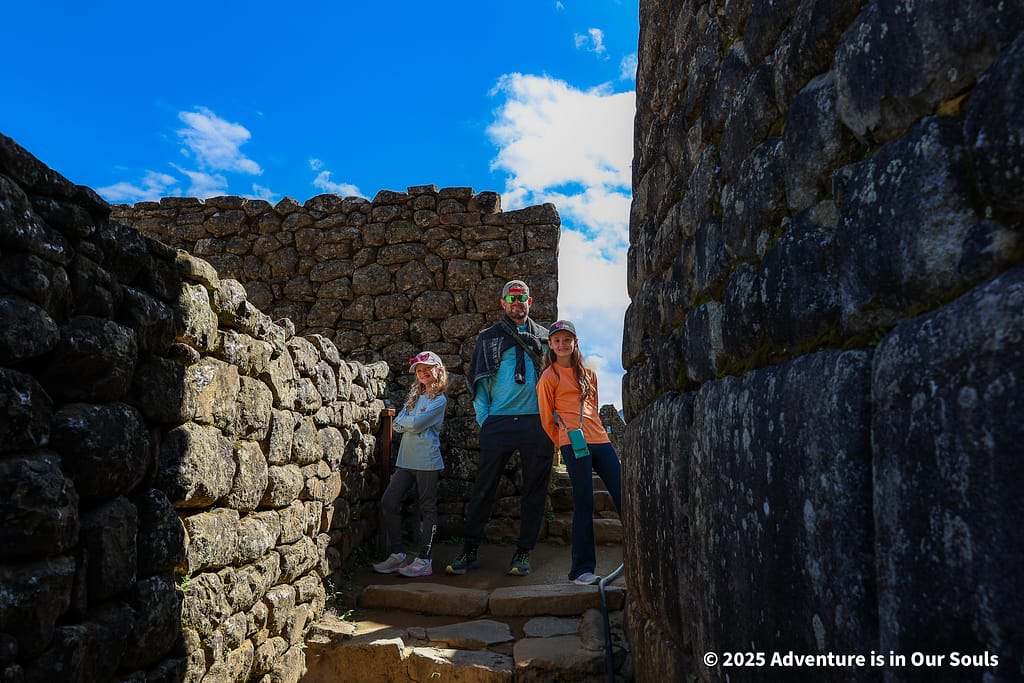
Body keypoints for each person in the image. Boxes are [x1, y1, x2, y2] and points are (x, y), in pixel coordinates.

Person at [446, 280, 553, 576]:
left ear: (530, 301)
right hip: (500, 422)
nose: (517, 302)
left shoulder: (546, 337)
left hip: (537, 422)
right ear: (503, 303)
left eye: (523, 297)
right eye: (512, 297)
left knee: (535, 489)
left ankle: (523, 553)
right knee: (484, 488)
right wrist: (487, 422)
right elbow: (480, 383)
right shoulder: (489, 338)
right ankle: (469, 550)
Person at [536, 320, 622, 586]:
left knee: (624, 493)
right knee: (585, 501)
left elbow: (592, 408)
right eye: (557, 340)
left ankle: (643, 553)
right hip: (573, 443)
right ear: (550, 345)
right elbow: (545, 418)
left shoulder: (587, 373)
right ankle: (581, 570)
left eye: (567, 339)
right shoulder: (549, 377)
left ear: (575, 343)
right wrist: (563, 442)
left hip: (600, 439)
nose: (562, 344)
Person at [372, 350, 448, 577]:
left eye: (427, 369)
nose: (423, 373)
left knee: (427, 508)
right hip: (406, 460)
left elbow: (411, 425)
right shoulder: (415, 396)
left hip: (427, 461)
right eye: (419, 370)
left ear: (438, 370)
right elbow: (398, 424)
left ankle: (425, 560)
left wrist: (407, 422)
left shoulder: (439, 399)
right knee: (389, 501)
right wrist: (408, 422)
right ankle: (398, 555)